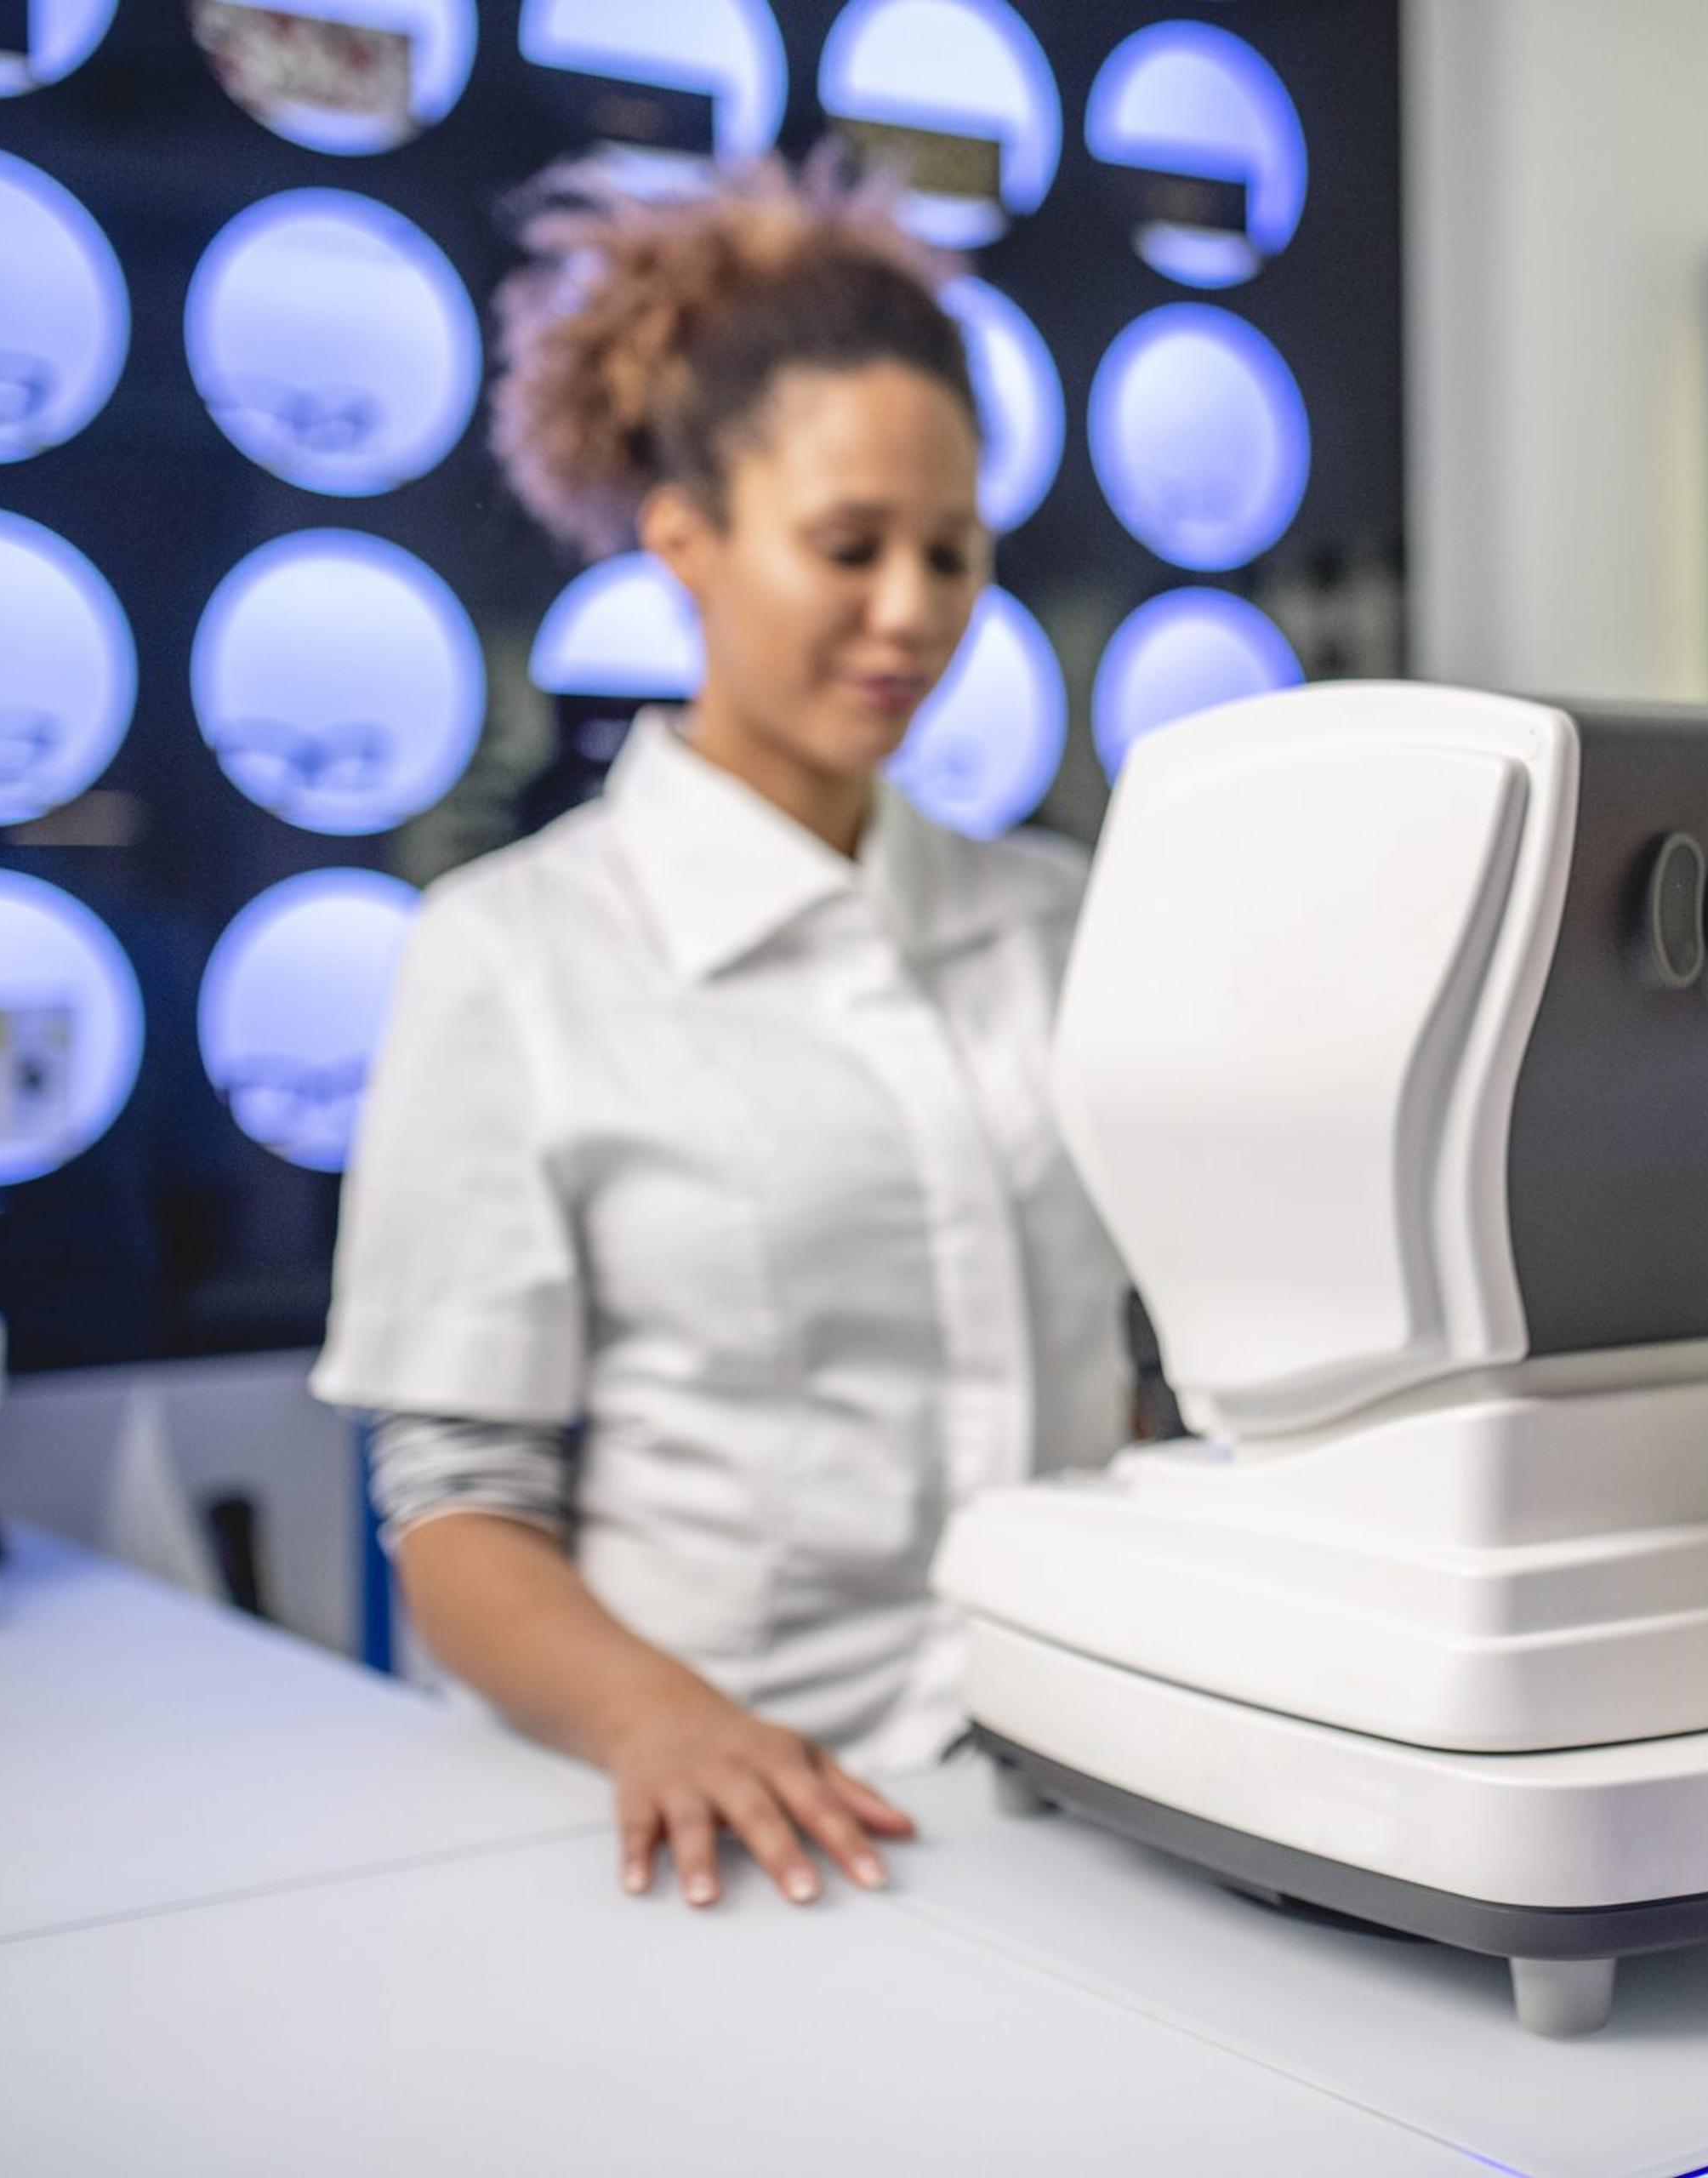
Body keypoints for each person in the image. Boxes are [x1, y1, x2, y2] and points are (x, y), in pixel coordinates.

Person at [313, 156, 1131, 1915]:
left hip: (1099, 1807)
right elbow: (457, 1504)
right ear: (682, 536)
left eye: (952, 552)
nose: (911, 609)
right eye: (849, 546)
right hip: (745, 1845)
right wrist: (660, 1722)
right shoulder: (512, 954)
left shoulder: (1064, 919)